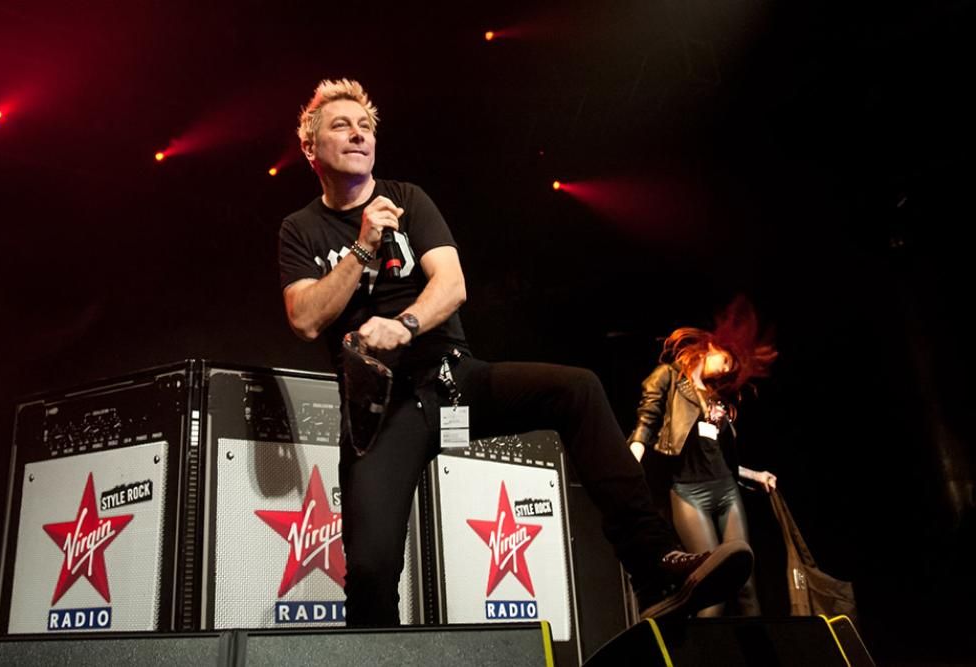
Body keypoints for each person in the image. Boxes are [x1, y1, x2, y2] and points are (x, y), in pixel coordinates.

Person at [278, 78, 754, 627]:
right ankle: (381, 653)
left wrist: (405, 325)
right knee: (368, 570)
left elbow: (452, 285)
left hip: (454, 382)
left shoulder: (407, 199)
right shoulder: (301, 229)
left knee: (577, 389)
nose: (359, 134)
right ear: (310, 147)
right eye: (342, 126)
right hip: (380, 412)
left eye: (366, 126)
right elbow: (305, 318)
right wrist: (362, 247)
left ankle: (654, 567)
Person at [627, 300, 778, 616]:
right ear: (711, 347)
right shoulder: (668, 377)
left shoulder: (715, 398)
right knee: (711, 590)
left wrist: (756, 475)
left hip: (727, 492)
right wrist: (634, 453)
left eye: (730, 368)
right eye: (725, 361)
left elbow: (719, 459)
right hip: (689, 495)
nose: (725, 370)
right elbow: (647, 418)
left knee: (746, 586)